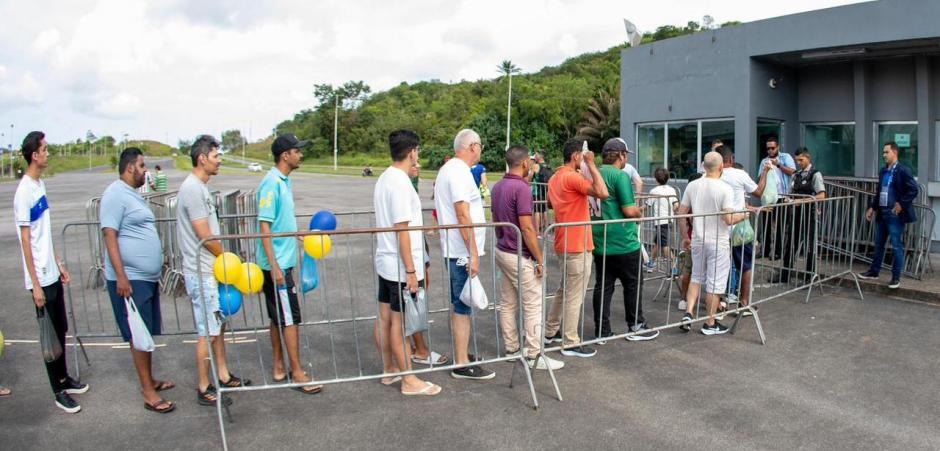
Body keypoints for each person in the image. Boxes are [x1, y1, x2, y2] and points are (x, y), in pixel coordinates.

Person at [14, 131, 85, 413]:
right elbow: (25, 240)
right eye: (44, 149)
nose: (48, 153)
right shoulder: (24, 192)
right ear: (34, 155)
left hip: (51, 272)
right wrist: (35, 284)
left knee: (62, 327)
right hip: (40, 278)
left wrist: (58, 263)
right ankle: (58, 391)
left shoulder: (39, 184)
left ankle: (65, 378)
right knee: (50, 335)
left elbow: (44, 234)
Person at [100, 147, 174, 413]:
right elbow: (109, 235)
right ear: (130, 167)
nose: (145, 171)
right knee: (138, 334)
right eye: (142, 166)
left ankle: (150, 380)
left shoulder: (132, 194)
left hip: (145, 278)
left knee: (145, 333)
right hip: (130, 279)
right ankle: (148, 392)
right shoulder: (114, 194)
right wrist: (121, 276)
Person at [177, 135, 249, 407]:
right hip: (202, 272)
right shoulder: (192, 189)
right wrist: (229, 259)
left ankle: (223, 374)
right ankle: (204, 386)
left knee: (217, 326)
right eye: (216, 156)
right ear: (202, 158)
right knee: (208, 330)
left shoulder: (201, 188)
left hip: (212, 271)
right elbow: (205, 236)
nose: (220, 161)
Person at [372, 129, 442, 396]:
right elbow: (402, 230)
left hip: (387, 261)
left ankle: (389, 369)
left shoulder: (385, 178)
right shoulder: (400, 183)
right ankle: (408, 379)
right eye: (418, 151)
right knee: (399, 324)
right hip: (400, 265)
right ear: (412, 151)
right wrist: (411, 271)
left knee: (386, 319)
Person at [256, 134, 322, 395]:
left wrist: (296, 234)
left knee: (278, 317)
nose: (300, 155)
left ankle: (279, 365)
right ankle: (297, 372)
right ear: (285, 155)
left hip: (281, 261)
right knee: (290, 318)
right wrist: (274, 266)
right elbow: (264, 226)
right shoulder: (271, 183)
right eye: (297, 151)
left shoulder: (283, 181)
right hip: (277, 265)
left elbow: (279, 221)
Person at [491, 145, 563, 370]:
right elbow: (527, 228)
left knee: (508, 302)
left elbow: (496, 221)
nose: (531, 164)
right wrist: (540, 259)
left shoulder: (498, 186)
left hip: (503, 249)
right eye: (530, 161)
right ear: (524, 163)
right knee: (533, 304)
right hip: (518, 253)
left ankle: (512, 348)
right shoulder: (521, 188)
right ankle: (534, 354)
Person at [434, 129, 494, 380]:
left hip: (457, 249)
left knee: (462, 302)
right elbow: (462, 214)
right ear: (472, 147)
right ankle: (460, 362)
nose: (481, 150)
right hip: (461, 251)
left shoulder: (451, 169)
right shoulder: (458, 172)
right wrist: (473, 253)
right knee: (462, 304)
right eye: (480, 146)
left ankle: (463, 354)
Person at [544, 138, 608, 357]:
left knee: (564, 289)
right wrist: (591, 164)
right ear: (576, 156)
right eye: (583, 154)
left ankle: (550, 330)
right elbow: (602, 192)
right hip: (577, 243)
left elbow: (550, 203)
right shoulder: (572, 177)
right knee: (574, 294)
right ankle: (570, 341)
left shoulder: (555, 178)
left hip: (563, 241)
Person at [590, 142, 658, 343]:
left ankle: (602, 330)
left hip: (600, 239)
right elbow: (629, 210)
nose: (626, 159)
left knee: (603, 287)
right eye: (625, 155)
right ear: (620, 155)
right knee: (632, 284)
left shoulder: (594, 173)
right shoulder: (619, 176)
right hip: (623, 240)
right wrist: (638, 212)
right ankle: (636, 325)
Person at [677, 151, 750, 336]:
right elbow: (728, 219)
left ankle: (688, 313)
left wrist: (685, 236)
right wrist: (744, 215)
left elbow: (681, 213)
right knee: (715, 284)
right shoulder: (725, 188)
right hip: (718, 242)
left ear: (703, 166)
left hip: (698, 239)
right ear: (721, 167)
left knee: (696, 277)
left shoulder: (693, 185)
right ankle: (710, 323)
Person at [857, 141, 919, 289]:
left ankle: (896, 277)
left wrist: (901, 204)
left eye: (886, 152)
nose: (884, 155)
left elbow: (914, 189)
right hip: (883, 212)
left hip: (895, 214)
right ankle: (874, 272)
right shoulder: (883, 170)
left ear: (894, 152)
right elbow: (880, 191)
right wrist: (872, 208)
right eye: (883, 152)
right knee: (879, 244)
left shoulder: (903, 170)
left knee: (896, 245)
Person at [406, 162, 448, 366]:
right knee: (414, 298)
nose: (418, 165)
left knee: (416, 296)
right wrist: (411, 268)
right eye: (414, 161)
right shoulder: (401, 184)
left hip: (417, 244)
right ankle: (420, 349)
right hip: (410, 250)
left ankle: (411, 346)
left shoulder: (409, 183)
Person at [718, 146, 769, 312]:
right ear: (731, 159)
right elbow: (759, 192)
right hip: (738, 228)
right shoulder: (739, 174)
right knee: (745, 266)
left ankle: (718, 303)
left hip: (717, 228)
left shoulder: (709, 176)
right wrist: (765, 172)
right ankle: (744, 303)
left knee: (718, 266)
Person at [773, 147, 827, 285]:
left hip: (810, 214)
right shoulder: (796, 174)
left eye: (801, 160)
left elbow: (821, 195)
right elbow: (790, 192)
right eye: (797, 160)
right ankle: (785, 274)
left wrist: (801, 201)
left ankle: (809, 278)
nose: (798, 163)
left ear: (808, 158)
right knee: (790, 243)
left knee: (810, 247)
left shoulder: (815, 174)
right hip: (796, 214)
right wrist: (789, 200)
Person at [757, 136, 796, 260]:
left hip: (782, 195)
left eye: (772, 148)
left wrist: (778, 165)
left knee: (780, 225)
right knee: (766, 224)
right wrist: (765, 171)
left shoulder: (785, 157)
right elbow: (759, 178)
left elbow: (792, 171)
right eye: (768, 148)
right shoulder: (764, 161)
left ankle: (778, 252)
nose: (770, 150)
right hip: (768, 197)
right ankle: (765, 250)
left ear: (778, 147)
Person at [677, 171, 704, 310]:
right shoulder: (698, 200)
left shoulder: (687, 199)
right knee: (691, 270)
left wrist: (685, 238)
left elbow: (682, 217)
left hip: (691, 238)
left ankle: (684, 298)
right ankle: (685, 298)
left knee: (689, 270)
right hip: (698, 239)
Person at [647, 167, 679, 273]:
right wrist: (674, 210)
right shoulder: (672, 189)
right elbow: (676, 204)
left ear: (656, 179)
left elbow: (647, 205)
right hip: (669, 220)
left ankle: (673, 265)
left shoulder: (654, 191)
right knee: (658, 242)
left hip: (660, 221)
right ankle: (651, 262)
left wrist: (638, 210)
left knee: (664, 245)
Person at [526, 151, 552, 236]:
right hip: (545, 191)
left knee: (537, 210)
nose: (535, 156)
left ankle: (537, 231)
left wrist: (529, 177)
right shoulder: (548, 166)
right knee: (544, 210)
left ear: (540, 156)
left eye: (536, 154)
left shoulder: (535, 166)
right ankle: (546, 231)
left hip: (537, 191)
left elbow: (529, 179)